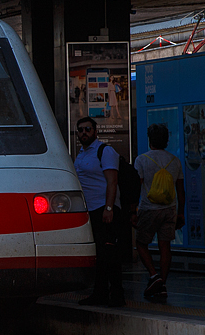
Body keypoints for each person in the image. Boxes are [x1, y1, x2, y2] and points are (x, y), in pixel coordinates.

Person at [74, 116, 124, 307]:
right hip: (90, 211)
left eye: (87, 129)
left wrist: (108, 208)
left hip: (104, 209)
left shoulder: (105, 151)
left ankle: (116, 295)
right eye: (80, 130)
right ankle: (101, 293)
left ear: (95, 131)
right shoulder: (81, 154)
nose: (83, 133)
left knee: (108, 253)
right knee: (100, 254)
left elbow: (112, 181)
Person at [132, 123, 185, 301]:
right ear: (167, 140)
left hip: (149, 208)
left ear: (150, 140)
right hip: (170, 209)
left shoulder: (142, 160)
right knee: (165, 246)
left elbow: (137, 186)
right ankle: (162, 284)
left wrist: (133, 210)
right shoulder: (174, 160)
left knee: (141, 243)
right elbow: (180, 189)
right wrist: (181, 213)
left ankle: (154, 276)